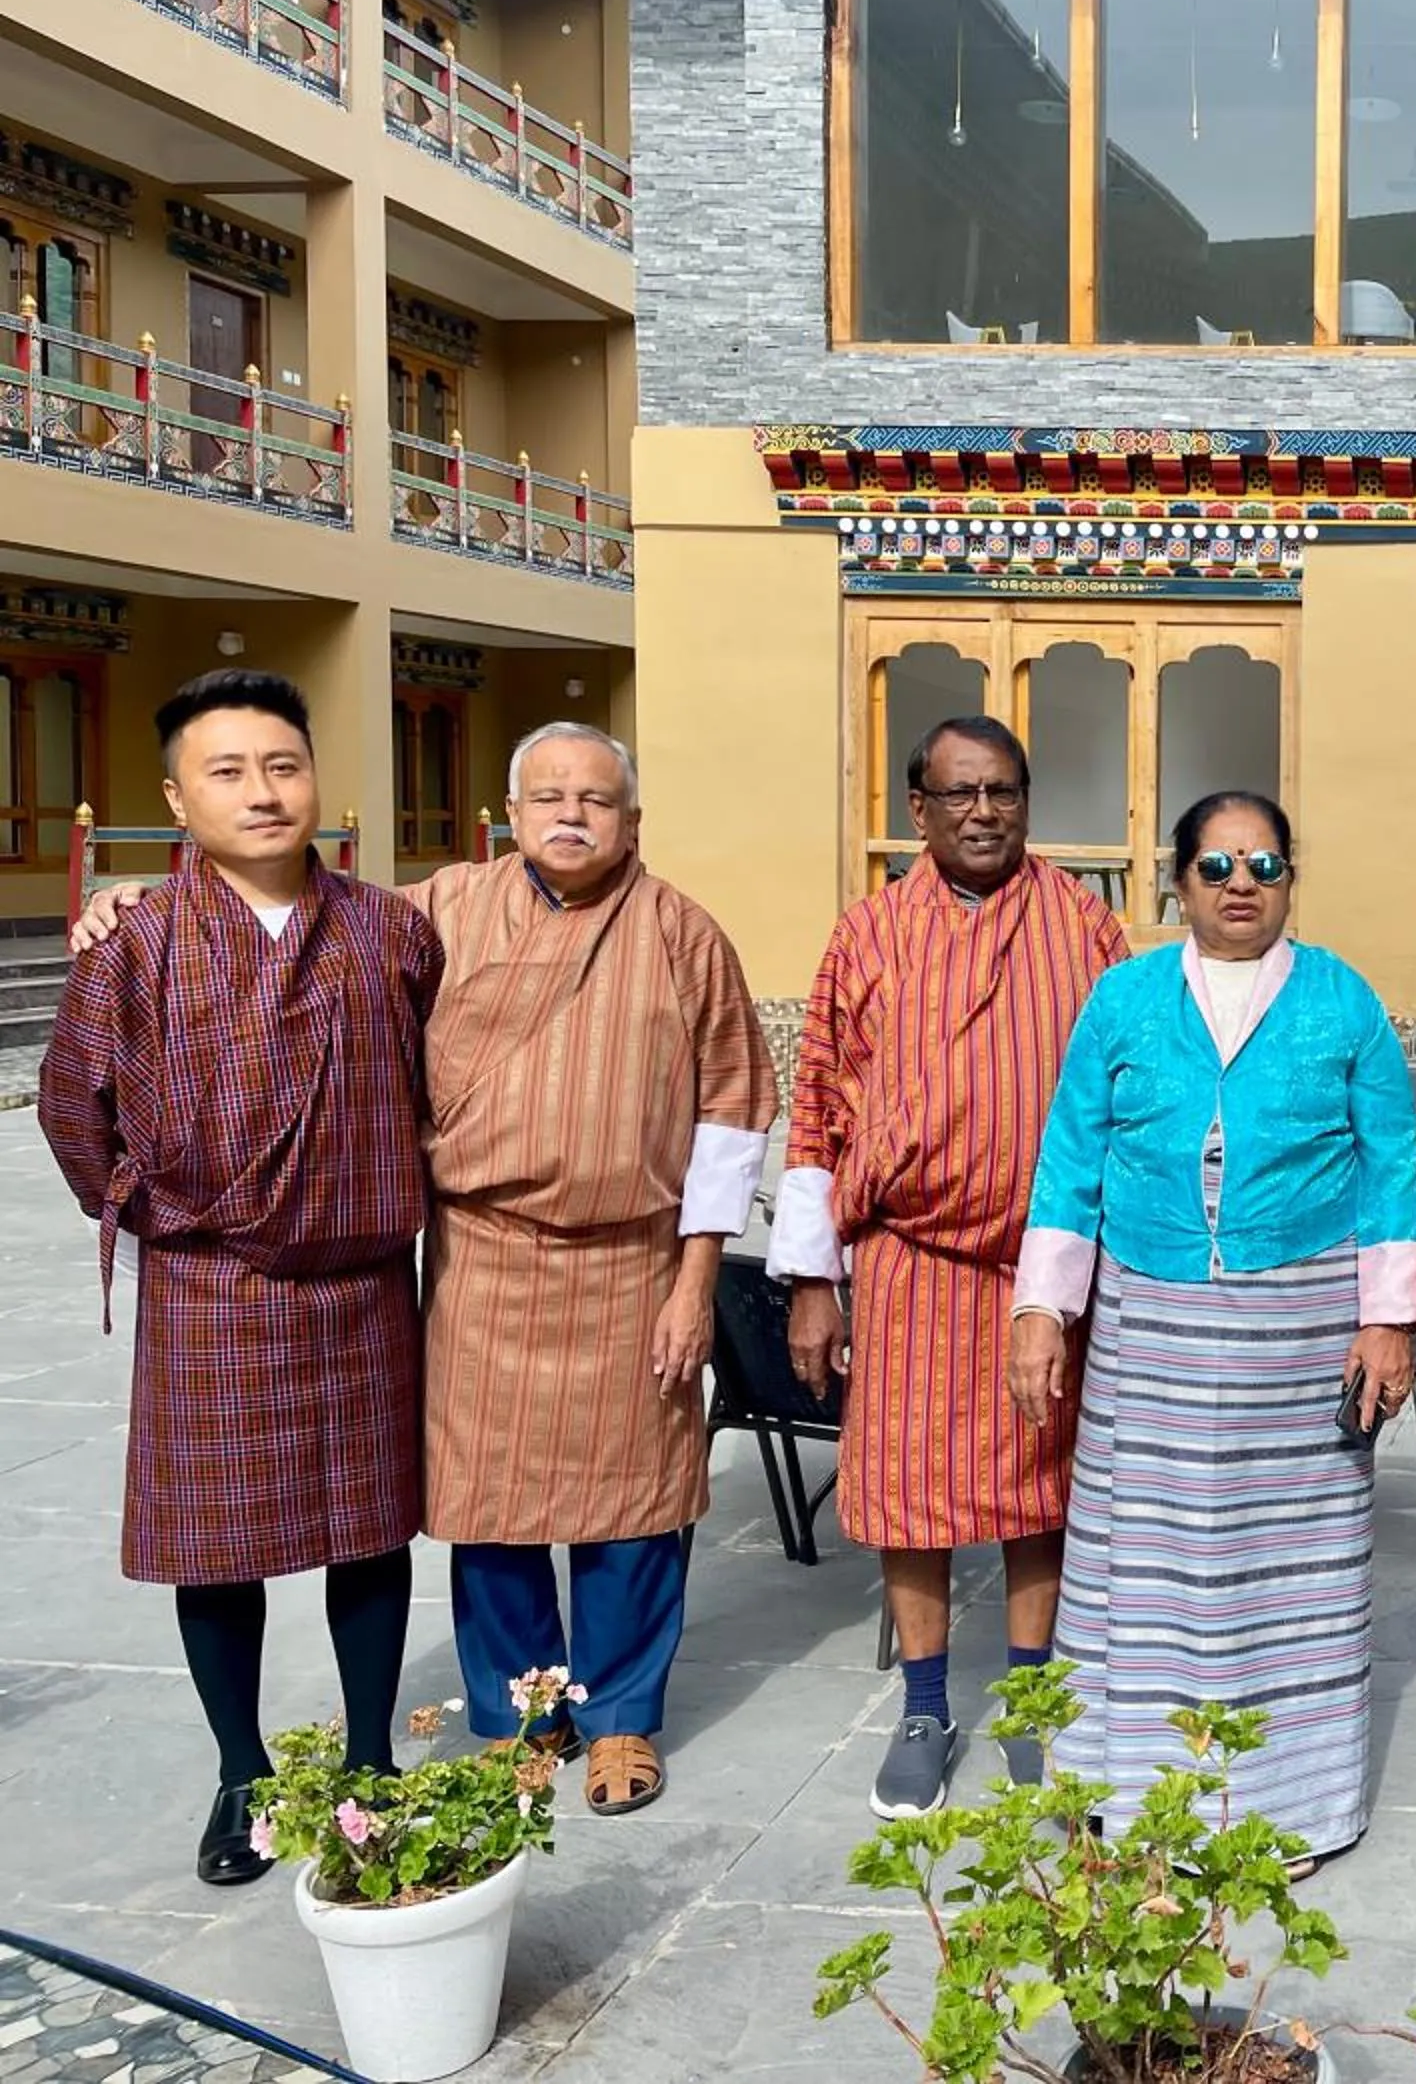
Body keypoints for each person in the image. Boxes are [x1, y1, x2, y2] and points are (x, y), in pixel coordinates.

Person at [67, 721, 778, 1818]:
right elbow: (308, 921)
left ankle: (624, 1716)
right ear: (512, 813)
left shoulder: (684, 934)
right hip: (483, 1257)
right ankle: (518, 1719)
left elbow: (731, 1116)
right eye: (547, 797)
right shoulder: (435, 911)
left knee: (634, 1506)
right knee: (489, 1506)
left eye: (596, 798)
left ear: (633, 820)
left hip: (631, 1256)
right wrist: (126, 905)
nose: (571, 815)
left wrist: (696, 1282)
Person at [39, 669, 440, 1886]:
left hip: (365, 1277)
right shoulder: (139, 940)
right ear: (175, 797)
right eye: (228, 772)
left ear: (315, 776)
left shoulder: (390, 927)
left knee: (369, 1534)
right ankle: (241, 1773)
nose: (263, 793)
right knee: (217, 1545)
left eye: (282, 765)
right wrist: (160, 1213)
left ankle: (372, 1762)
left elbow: (436, 1072)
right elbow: (74, 1107)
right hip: (214, 1282)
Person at [1008, 792, 1416, 1871]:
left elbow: (1392, 1161)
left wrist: (1388, 1321)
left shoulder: (1345, 1001)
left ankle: (1289, 1805)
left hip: (1300, 1326)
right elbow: (1070, 1157)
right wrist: (1042, 1306)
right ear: (1179, 883)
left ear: (1291, 881)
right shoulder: (1124, 999)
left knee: (1294, 1565)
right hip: (1154, 1321)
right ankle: (1138, 1794)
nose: (1243, 884)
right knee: (1145, 1558)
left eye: (1266, 864)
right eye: (1219, 865)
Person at [770, 714, 1130, 1818]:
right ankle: (924, 1706)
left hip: (1046, 1262)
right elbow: (819, 1106)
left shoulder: (1084, 925)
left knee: (1039, 1486)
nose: (984, 812)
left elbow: (1127, 1090)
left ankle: (1029, 1696)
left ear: (1030, 800)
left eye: (1004, 791)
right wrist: (813, 1282)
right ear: (917, 810)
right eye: (959, 794)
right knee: (908, 1493)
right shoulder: (867, 935)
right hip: (910, 1257)